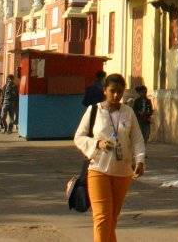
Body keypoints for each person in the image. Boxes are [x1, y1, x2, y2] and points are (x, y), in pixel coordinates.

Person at [74, 73, 145, 242]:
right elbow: (79, 137)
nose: (116, 96)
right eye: (112, 91)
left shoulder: (128, 112)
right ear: (104, 90)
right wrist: (97, 144)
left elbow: (137, 139)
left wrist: (140, 160)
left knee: (111, 219)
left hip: (122, 172)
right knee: (102, 217)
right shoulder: (94, 111)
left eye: (120, 92)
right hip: (98, 169)